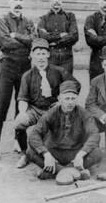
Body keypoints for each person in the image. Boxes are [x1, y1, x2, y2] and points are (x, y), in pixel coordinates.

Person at [0, 0, 36, 162]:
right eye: (15, 0)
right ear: (9, 2)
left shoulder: (29, 22)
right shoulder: (1, 20)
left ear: (24, 2)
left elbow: (34, 41)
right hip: (7, 66)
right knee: (0, 106)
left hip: (25, 66)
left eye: (20, 0)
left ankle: (18, 140)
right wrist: (21, 40)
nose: (18, 3)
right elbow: (5, 43)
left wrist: (17, 35)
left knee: (21, 106)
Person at [14, 38, 76, 168]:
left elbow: (75, 85)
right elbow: (22, 98)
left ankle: (58, 154)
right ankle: (25, 154)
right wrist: (22, 113)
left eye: (43, 53)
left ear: (48, 55)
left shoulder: (58, 71)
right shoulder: (27, 76)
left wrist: (63, 99)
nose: (41, 57)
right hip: (35, 109)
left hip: (53, 108)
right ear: (32, 55)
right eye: (38, 53)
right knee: (19, 122)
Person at [27, 80, 103, 180]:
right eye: (67, 98)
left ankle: (54, 172)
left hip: (75, 153)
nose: (70, 102)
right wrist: (46, 154)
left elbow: (95, 134)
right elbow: (34, 134)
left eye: (73, 98)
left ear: (77, 99)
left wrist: (81, 154)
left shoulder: (84, 114)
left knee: (97, 152)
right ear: (59, 99)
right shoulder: (51, 113)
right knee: (30, 151)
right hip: (55, 152)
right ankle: (72, 172)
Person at [37, 0, 79, 74]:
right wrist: (60, 35)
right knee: (52, 84)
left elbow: (74, 36)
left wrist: (54, 41)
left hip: (67, 58)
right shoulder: (43, 19)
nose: (57, 1)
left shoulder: (70, 16)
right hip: (51, 58)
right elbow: (42, 37)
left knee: (66, 84)